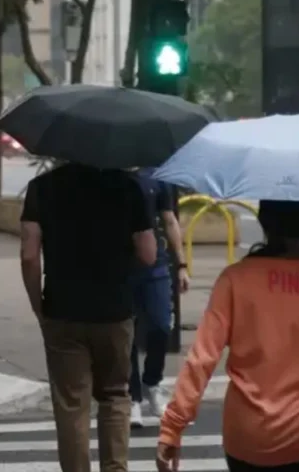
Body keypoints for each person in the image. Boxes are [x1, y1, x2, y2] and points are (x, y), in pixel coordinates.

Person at [156, 201, 299, 472]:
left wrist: (173, 427)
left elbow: (202, 358)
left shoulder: (235, 279)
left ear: (264, 223)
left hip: (254, 435)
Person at [20, 163, 156, 472]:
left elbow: (29, 254)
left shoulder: (42, 187)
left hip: (62, 310)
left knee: (71, 404)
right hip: (115, 311)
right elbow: (148, 254)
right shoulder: (129, 186)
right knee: (115, 396)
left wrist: (37, 303)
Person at [128, 167, 189, 426]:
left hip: (157, 266)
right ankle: (132, 398)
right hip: (122, 267)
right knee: (127, 331)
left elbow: (170, 219)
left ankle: (152, 383)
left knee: (162, 325)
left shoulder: (157, 177)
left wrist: (182, 264)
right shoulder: (112, 176)